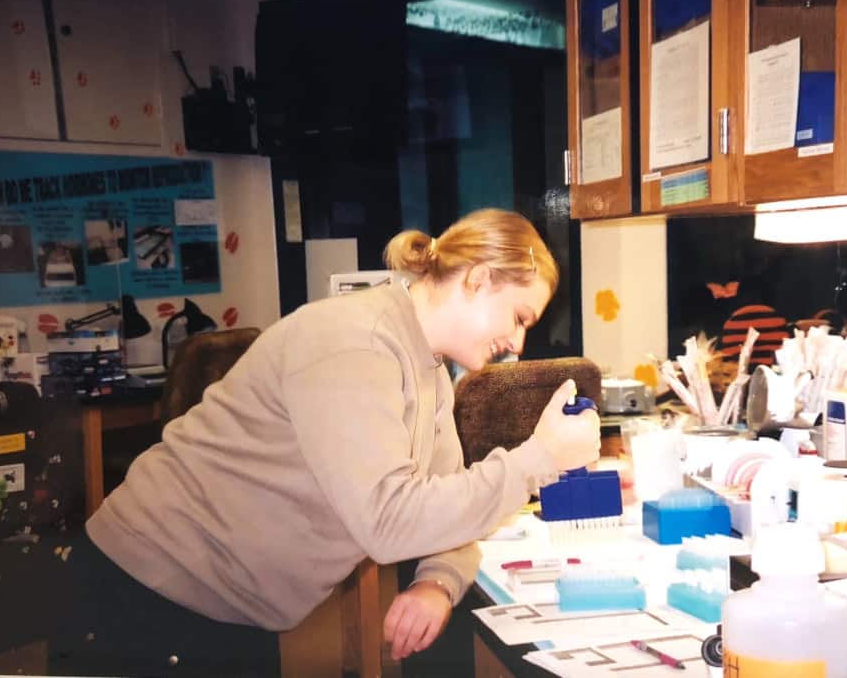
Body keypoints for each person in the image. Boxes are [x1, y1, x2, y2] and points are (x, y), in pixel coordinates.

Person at [49, 208, 601, 676]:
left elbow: (447, 500)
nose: (519, 343)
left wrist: (437, 582)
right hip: (146, 598)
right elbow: (388, 522)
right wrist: (541, 458)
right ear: (478, 279)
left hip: (234, 607)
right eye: (519, 316)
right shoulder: (354, 341)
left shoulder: (428, 368)